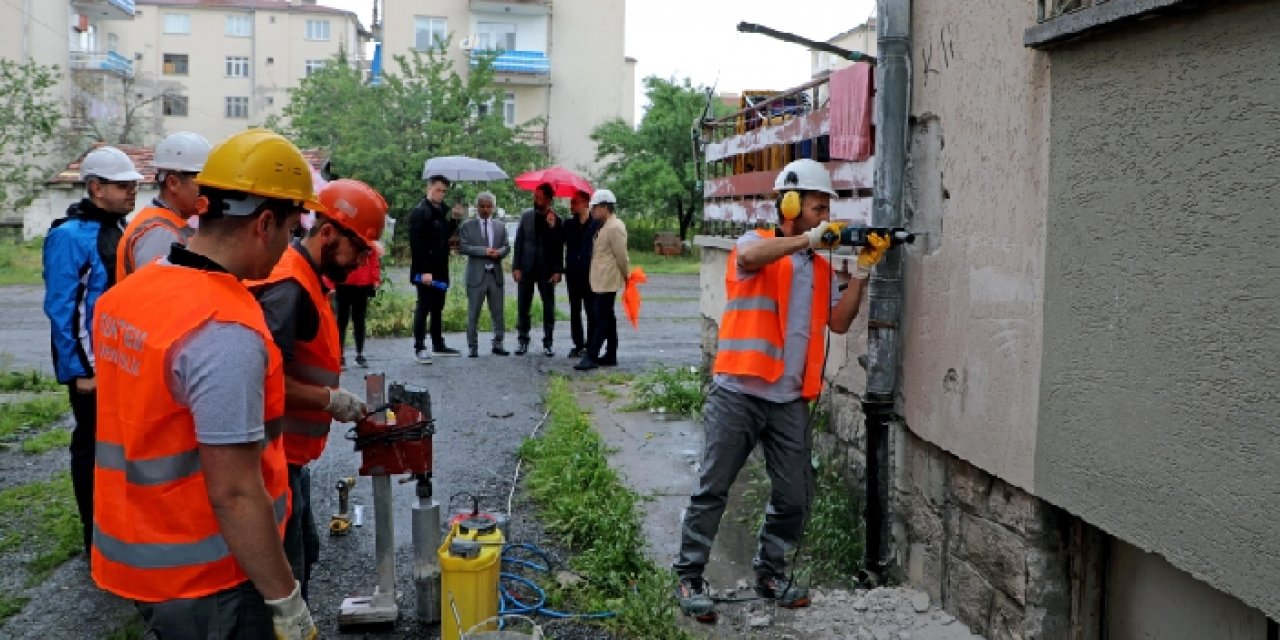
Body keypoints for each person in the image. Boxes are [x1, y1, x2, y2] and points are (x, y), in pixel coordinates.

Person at [91, 129, 321, 639]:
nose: (290, 246)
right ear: (265, 223)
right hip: (214, 579)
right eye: (290, 229)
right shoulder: (224, 330)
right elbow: (236, 492)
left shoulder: (129, 297)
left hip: (141, 560)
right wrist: (286, 599)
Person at [672, 159, 891, 623]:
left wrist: (863, 273)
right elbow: (749, 260)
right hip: (737, 393)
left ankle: (770, 573)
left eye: (827, 207)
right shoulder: (757, 243)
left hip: (790, 399)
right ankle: (689, 574)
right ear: (789, 205)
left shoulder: (819, 266)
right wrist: (807, 240)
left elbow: (839, 321)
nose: (825, 216)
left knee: (794, 496)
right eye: (817, 206)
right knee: (714, 487)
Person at [250, 179, 385, 597]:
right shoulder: (290, 288)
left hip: (290, 457)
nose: (360, 261)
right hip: (271, 458)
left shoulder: (310, 280)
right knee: (287, 573)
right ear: (327, 232)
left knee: (306, 550)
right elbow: (257, 378)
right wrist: (330, 400)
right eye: (358, 250)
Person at [42, 145, 141, 554]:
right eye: (123, 185)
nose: (132, 190)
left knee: (119, 451)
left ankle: (118, 531)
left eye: (134, 183)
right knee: (92, 449)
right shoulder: (68, 236)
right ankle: (95, 538)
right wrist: (81, 371)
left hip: (120, 365)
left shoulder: (118, 228)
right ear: (97, 188)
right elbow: (64, 309)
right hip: (93, 371)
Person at [116, 131, 212, 281]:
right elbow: (156, 296)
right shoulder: (159, 232)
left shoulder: (168, 223)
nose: (209, 191)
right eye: (202, 183)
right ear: (173, 183)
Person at [408, 174, 461, 363]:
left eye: (444, 191)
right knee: (424, 306)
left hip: (440, 267)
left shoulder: (440, 211)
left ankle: (438, 343)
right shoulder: (420, 212)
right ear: (428, 189)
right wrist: (424, 271)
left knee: (438, 306)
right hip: (425, 269)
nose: (441, 194)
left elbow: (444, 236)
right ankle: (419, 347)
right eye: (438, 190)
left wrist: (454, 220)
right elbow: (417, 245)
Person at [574, 189, 627, 371]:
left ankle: (591, 355)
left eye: (595, 208)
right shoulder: (602, 225)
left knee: (600, 318)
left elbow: (622, 256)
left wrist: (627, 277)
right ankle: (611, 354)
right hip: (598, 279)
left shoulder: (615, 227)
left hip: (608, 280)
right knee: (608, 318)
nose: (593, 212)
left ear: (605, 207)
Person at [511, 183, 564, 356]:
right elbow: (519, 242)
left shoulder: (557, 220)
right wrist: (516, 267)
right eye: (535, 196)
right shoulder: (526, 216)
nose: (536, 199)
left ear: (549, 199)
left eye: (540, 197)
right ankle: (522, 340)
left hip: (547, 270)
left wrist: (558, 270)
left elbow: (558, 247)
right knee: (523, 306)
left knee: (548, 307)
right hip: (526, 267)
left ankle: (548, 342)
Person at [458, 191, 511, 358]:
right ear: (477, 207)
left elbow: (506, 246)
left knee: (498, 312)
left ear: (494, 208)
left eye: (489, 206)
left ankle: (498, 343)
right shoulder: (467, 226)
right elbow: (464, 247)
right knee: (473, 313)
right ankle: (472, 346)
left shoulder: (500, 226)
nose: (486, 210)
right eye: (482, 206)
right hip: (476, 276)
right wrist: (484, 251)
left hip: (495, 275)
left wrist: (500, 252)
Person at [562, 189, 598, 359]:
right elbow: (557, 242)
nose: (572, 206)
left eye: (575, 202)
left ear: (585, 203)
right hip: (573, 273)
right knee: (575, 310)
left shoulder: (596, 224)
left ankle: (591, 345)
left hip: (590, 273)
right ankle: (578, 343)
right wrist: (552, 226)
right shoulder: (568, 224)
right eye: (571, 202)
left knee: (591, 310)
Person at [335, 250, 380, 368]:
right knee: (341, 321)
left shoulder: (367, 238)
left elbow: (373, 257)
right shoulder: (342, 234)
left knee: (359, 320)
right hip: (343, 282)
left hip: (362, 283)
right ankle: (339, 355)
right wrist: (329, 281)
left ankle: (360, 354)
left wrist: (375, 278)